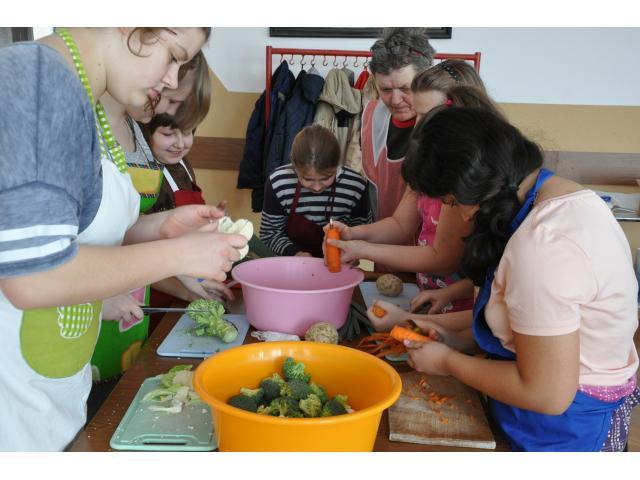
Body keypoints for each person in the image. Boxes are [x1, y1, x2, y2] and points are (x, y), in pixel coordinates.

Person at [0, 27, 247, 451]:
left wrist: (162, 227)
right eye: (172, 55)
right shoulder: (38, 83)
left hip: (53, 390)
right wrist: (177, 254)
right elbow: (32, 278)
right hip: (14, 404)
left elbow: (81, 233)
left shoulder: (89, 101)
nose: (171, 79)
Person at [399, 107, 639, 451]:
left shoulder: (542, 246)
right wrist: (456, 340)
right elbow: (531, 328)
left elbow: (547, 393)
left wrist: (447, 362)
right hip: (546, 410)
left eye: (451, 202)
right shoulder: (563, 196)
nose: (457, 215)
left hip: (564, 427)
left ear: (474, 185)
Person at [90, 51, 221, 385]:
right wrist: (94, 299)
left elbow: (123, 231)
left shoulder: (134, 130)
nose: (168, 111)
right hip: (81, 310)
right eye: (171, 100)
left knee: (120, 390)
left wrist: (167, 229)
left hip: (132, 298)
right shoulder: (84, 126)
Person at [328, 65, 500, 315]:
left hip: (464, 309)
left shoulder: (465, 179)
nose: (418, 125)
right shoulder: (428, 161)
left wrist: (363, 249)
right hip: (428, 297)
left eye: (427, 116)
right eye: (417, 115)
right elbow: (400, 224)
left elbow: (442, 259)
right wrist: (353, 234)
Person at [260, 124, 371, 257]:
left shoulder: (356, 185)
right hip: (290, 262)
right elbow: (269, 233)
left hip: (340, 261)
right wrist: (296, 254)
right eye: (307, 179)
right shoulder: (278, 182)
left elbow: (363, 232)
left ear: (337, 165)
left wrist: (352, 251)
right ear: (295, 167)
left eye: (326, 178)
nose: (317, 187)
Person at [362, 27, 434, 225]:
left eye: (405, 88)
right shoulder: (371, 115)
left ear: (427, 77)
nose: (395, 100)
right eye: (385, 89)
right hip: (380, 237)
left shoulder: (445, 125)